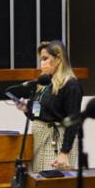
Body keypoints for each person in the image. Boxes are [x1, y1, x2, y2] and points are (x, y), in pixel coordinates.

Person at [16, 40, 83, 171]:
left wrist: (64, 152)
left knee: (53, 184)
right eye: (41, 59)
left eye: (45, 58)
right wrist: (26, 109)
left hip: (57, 143)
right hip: (40, 142)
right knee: (39, 184)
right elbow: (39, 114)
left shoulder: (70, 84)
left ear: (58, 58)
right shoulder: (44, 83)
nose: (42, 63)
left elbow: (73, 120)